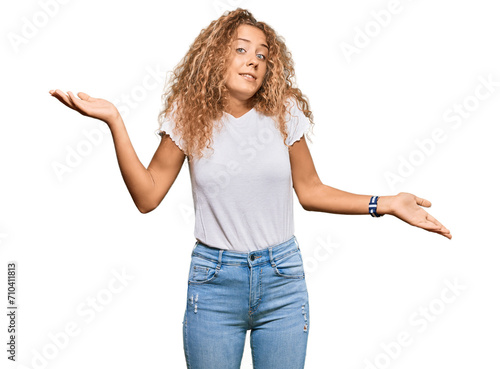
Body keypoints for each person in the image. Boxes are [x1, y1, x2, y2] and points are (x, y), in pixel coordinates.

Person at [49, 8, 451, 369]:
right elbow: (148, 196)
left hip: (282, 281)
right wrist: (115, 121)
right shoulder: (188, 115)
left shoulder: (284, 111)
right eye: (242, 50)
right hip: (214, 282)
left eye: (262, 55)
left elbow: (310, 191)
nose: (253, 61)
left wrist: (387, 203)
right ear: (215, 56)